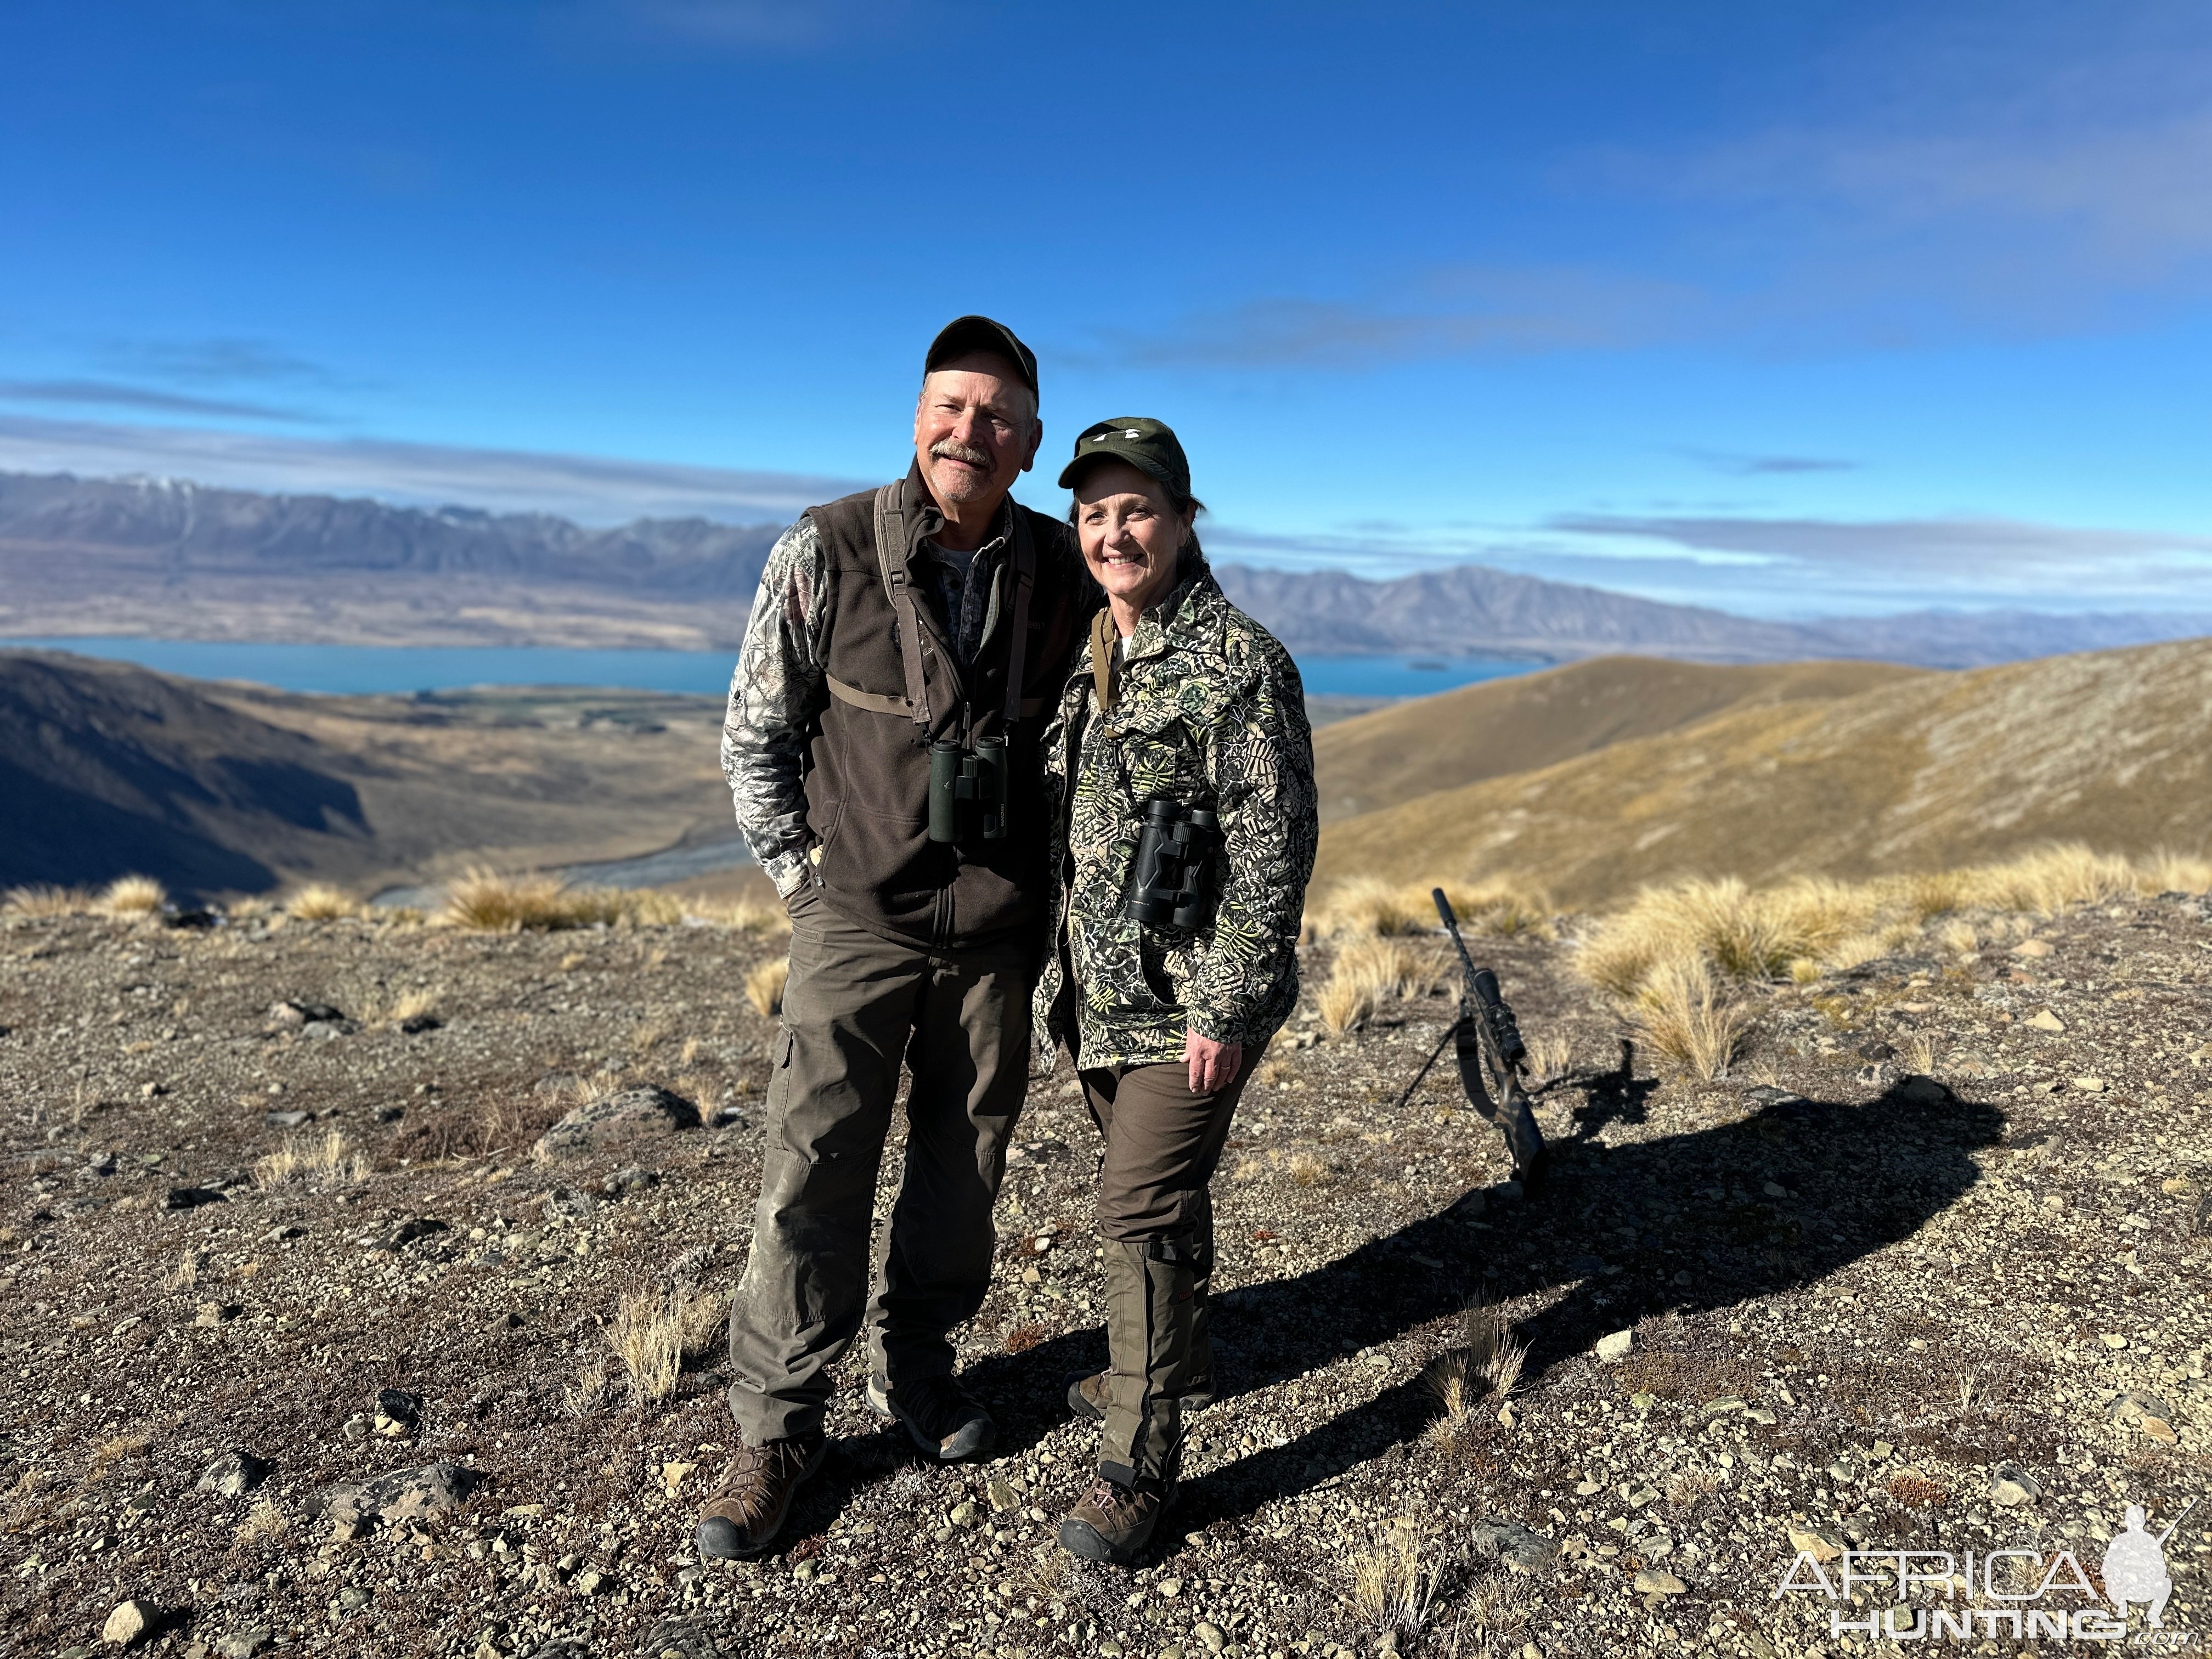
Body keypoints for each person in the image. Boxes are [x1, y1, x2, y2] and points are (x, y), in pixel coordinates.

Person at [699, 317, 1092, 1560]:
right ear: (916, 418)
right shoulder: (825, 549)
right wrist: (806, 887)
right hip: (853, 923)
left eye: (996, 416)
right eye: (950, 406)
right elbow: (755, 732)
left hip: (993, 932)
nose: (968, 430)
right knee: (814, 1168)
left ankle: (918, 1368)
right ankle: (778, 1428)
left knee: (962, 1168)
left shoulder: (1064, 566)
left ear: (1029, 447)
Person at [1032, 417, 1318, 1562]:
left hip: (1187, 1000)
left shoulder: (1239, 662)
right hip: (1102, 996)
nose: (1113, 532)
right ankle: (1180, 1355)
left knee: (1135, 1211)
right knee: (1163, 1194)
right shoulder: (1100, 648)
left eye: (1135, 509)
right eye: (1094, 514)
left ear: (1184, 519)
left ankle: (1137, 1468)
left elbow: (1274, 845)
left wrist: (1228, 1005)